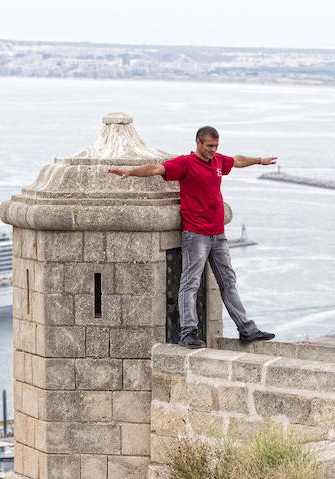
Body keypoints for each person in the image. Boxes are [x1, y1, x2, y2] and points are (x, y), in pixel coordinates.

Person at [109, 125, 277, 348]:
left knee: (229, 282)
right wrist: (131, 172)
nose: (213, 150)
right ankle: (188, 332)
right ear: (198, 142)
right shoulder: (185, 163)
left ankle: (247, 329)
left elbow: (237, 160)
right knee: (190, 283)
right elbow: (155, 169)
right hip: (196, 234)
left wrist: (260, 160)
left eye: (216, 146)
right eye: (209, 146)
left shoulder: (218, 161)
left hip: (218, 234)